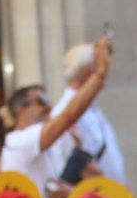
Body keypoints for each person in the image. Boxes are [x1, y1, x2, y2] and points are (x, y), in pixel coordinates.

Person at [1, 36, 114, 198]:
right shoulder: (17, 141)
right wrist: (100, 74)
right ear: (20, 112)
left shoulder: (41, 145)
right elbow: (66, 117)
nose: (49, 106)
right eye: (40, 101)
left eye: (48, 100)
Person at [52, 43, 126, 183]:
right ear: (87, 71)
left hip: (110, 196)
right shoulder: (66, 113)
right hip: (92, 197)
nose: (105, 75)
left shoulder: (93, 110)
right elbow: (72, 168)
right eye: (101, 67)